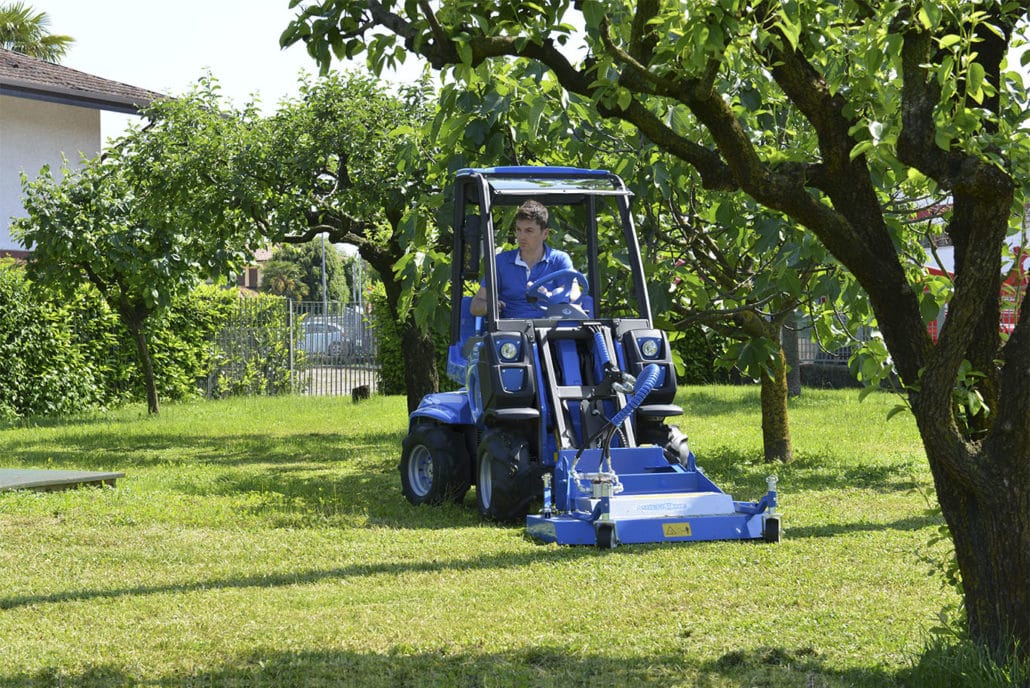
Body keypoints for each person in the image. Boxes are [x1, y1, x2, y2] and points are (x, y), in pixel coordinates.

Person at [469, 200, 574, 318]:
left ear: (545, 234)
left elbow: (574, 296)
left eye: (529, 231)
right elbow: (475, 305)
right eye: (518, 230)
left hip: (552, 329)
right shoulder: (500, 262)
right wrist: (490, 306)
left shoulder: (559, 260)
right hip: (511, 330)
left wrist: (549, 295)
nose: (521, 236)